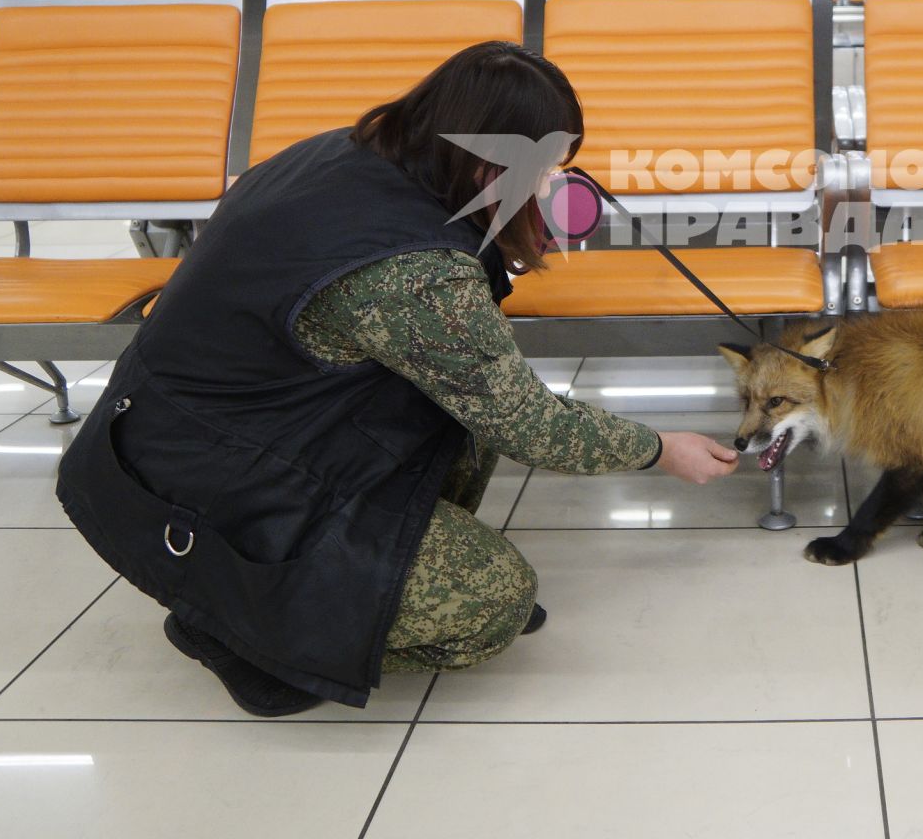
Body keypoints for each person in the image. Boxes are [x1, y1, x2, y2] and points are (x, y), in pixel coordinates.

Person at [56, 42, 738, 717]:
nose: (552, 185)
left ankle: (351, 584)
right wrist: (659, 448)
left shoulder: (344, 153)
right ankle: (245, 633)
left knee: (459, 415)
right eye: (544, 166)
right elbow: (530, 423)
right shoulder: (411, 271)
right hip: (203, 489)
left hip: (201, 431)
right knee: (495, 601)